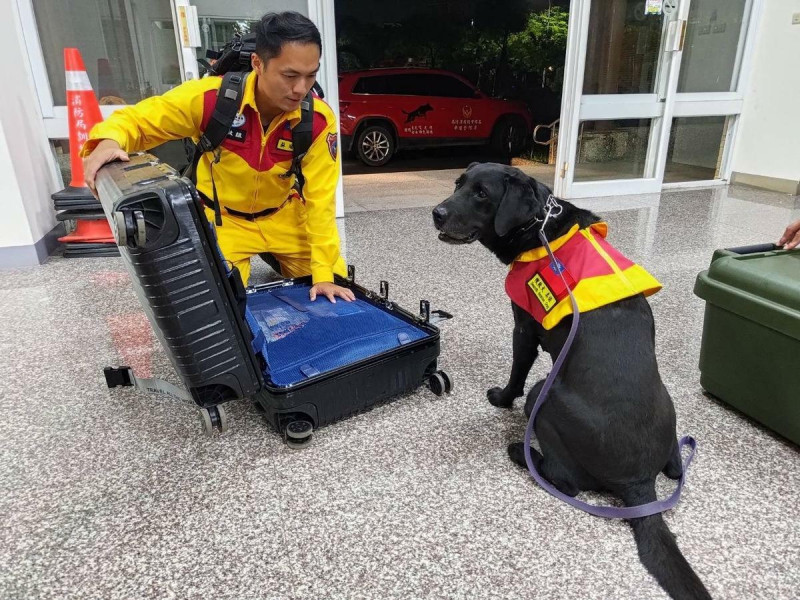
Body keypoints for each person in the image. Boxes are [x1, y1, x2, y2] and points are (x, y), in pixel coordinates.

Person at [81, 11, 354, 303]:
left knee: (336, 291)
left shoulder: (318, 121)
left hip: (283, 216)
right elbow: (138, 120)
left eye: (310, 75)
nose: (301, 88)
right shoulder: (212, 100)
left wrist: (323, 274)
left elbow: (321, 202)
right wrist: (108, 141)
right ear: (258, 63)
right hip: (224, 222)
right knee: (219, 307)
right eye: (289, 75)